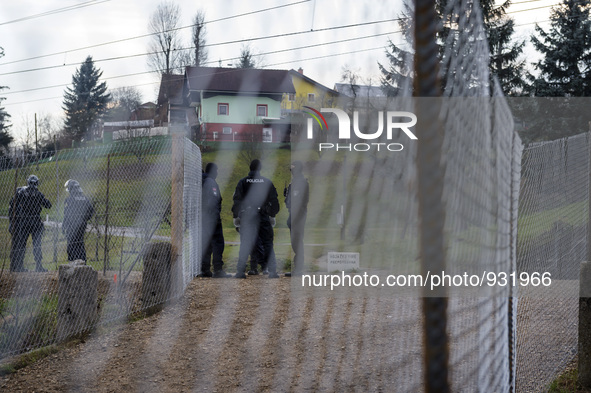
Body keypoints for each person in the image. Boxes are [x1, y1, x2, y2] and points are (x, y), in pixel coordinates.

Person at [232, 159, 280, 279]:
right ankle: (272, 271)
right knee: (268, 243)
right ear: (260, 168)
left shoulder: (243, 182)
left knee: (245, 244)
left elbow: (237, 200)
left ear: (250, 168)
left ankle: (240, 271)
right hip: (263, 216)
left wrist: (236, 216)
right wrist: (272, 214)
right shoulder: (266, 182)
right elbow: (274, 201)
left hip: (248, 216)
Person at [9, 175, 52, 272]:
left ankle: (20, 266)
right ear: (37, 183)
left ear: (28, 182)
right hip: (36, 220)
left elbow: (12, 203)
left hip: (24, 221)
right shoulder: (38, 194)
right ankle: (38, 266)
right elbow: (48, 205)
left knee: (22, 244)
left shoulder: (21, 192)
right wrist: (44, 199)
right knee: (37, 244)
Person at [200, 163, 231, 278]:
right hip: (211, 218)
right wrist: (215, 218)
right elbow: (212, 201)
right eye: (217, 170)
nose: (218, 173)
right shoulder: (210, 182)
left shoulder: (201, 181)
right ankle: (218, 269)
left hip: (202, 218)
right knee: (218, 243)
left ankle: (204, 269)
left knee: (206, 244)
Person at [284, 161, 309, 277]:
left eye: (293, 169)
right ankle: (297, 269)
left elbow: (301, 201)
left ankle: (299, 269)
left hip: (298, 216)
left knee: (297, 242)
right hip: (294, 215)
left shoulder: (301, 182)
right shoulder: (294, 182)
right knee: (295, 242)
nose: (291, 172)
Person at [63, 180, 95, 262]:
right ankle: (82, 262)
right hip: (82, 225)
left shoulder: (69, 199)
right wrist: (84, 219)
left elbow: (66, 214)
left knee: (71, 244)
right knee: (80, 243)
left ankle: (72, 262)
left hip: (72, 225)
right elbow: (91, 210)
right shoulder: (84, 198)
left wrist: (64, 226)